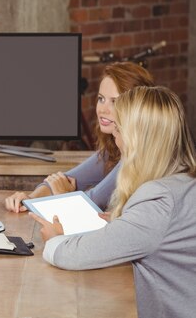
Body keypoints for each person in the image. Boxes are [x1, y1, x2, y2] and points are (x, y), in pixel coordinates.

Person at [30, 86, 196, 318]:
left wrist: (56, 239)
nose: (115, 139)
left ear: (138, 139)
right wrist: (124, 224)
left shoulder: (158, 202)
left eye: (118, 130)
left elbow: (73, 255)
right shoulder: (182, 184)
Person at [4, 61, 153, 212]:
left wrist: (64, 194)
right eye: (101, 99)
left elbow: (92, 203)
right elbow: (64, 180)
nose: (102, 109)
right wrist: (30, 199)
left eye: (114, 102)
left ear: (136, 108)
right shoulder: (114, 146)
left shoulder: (137, 154)